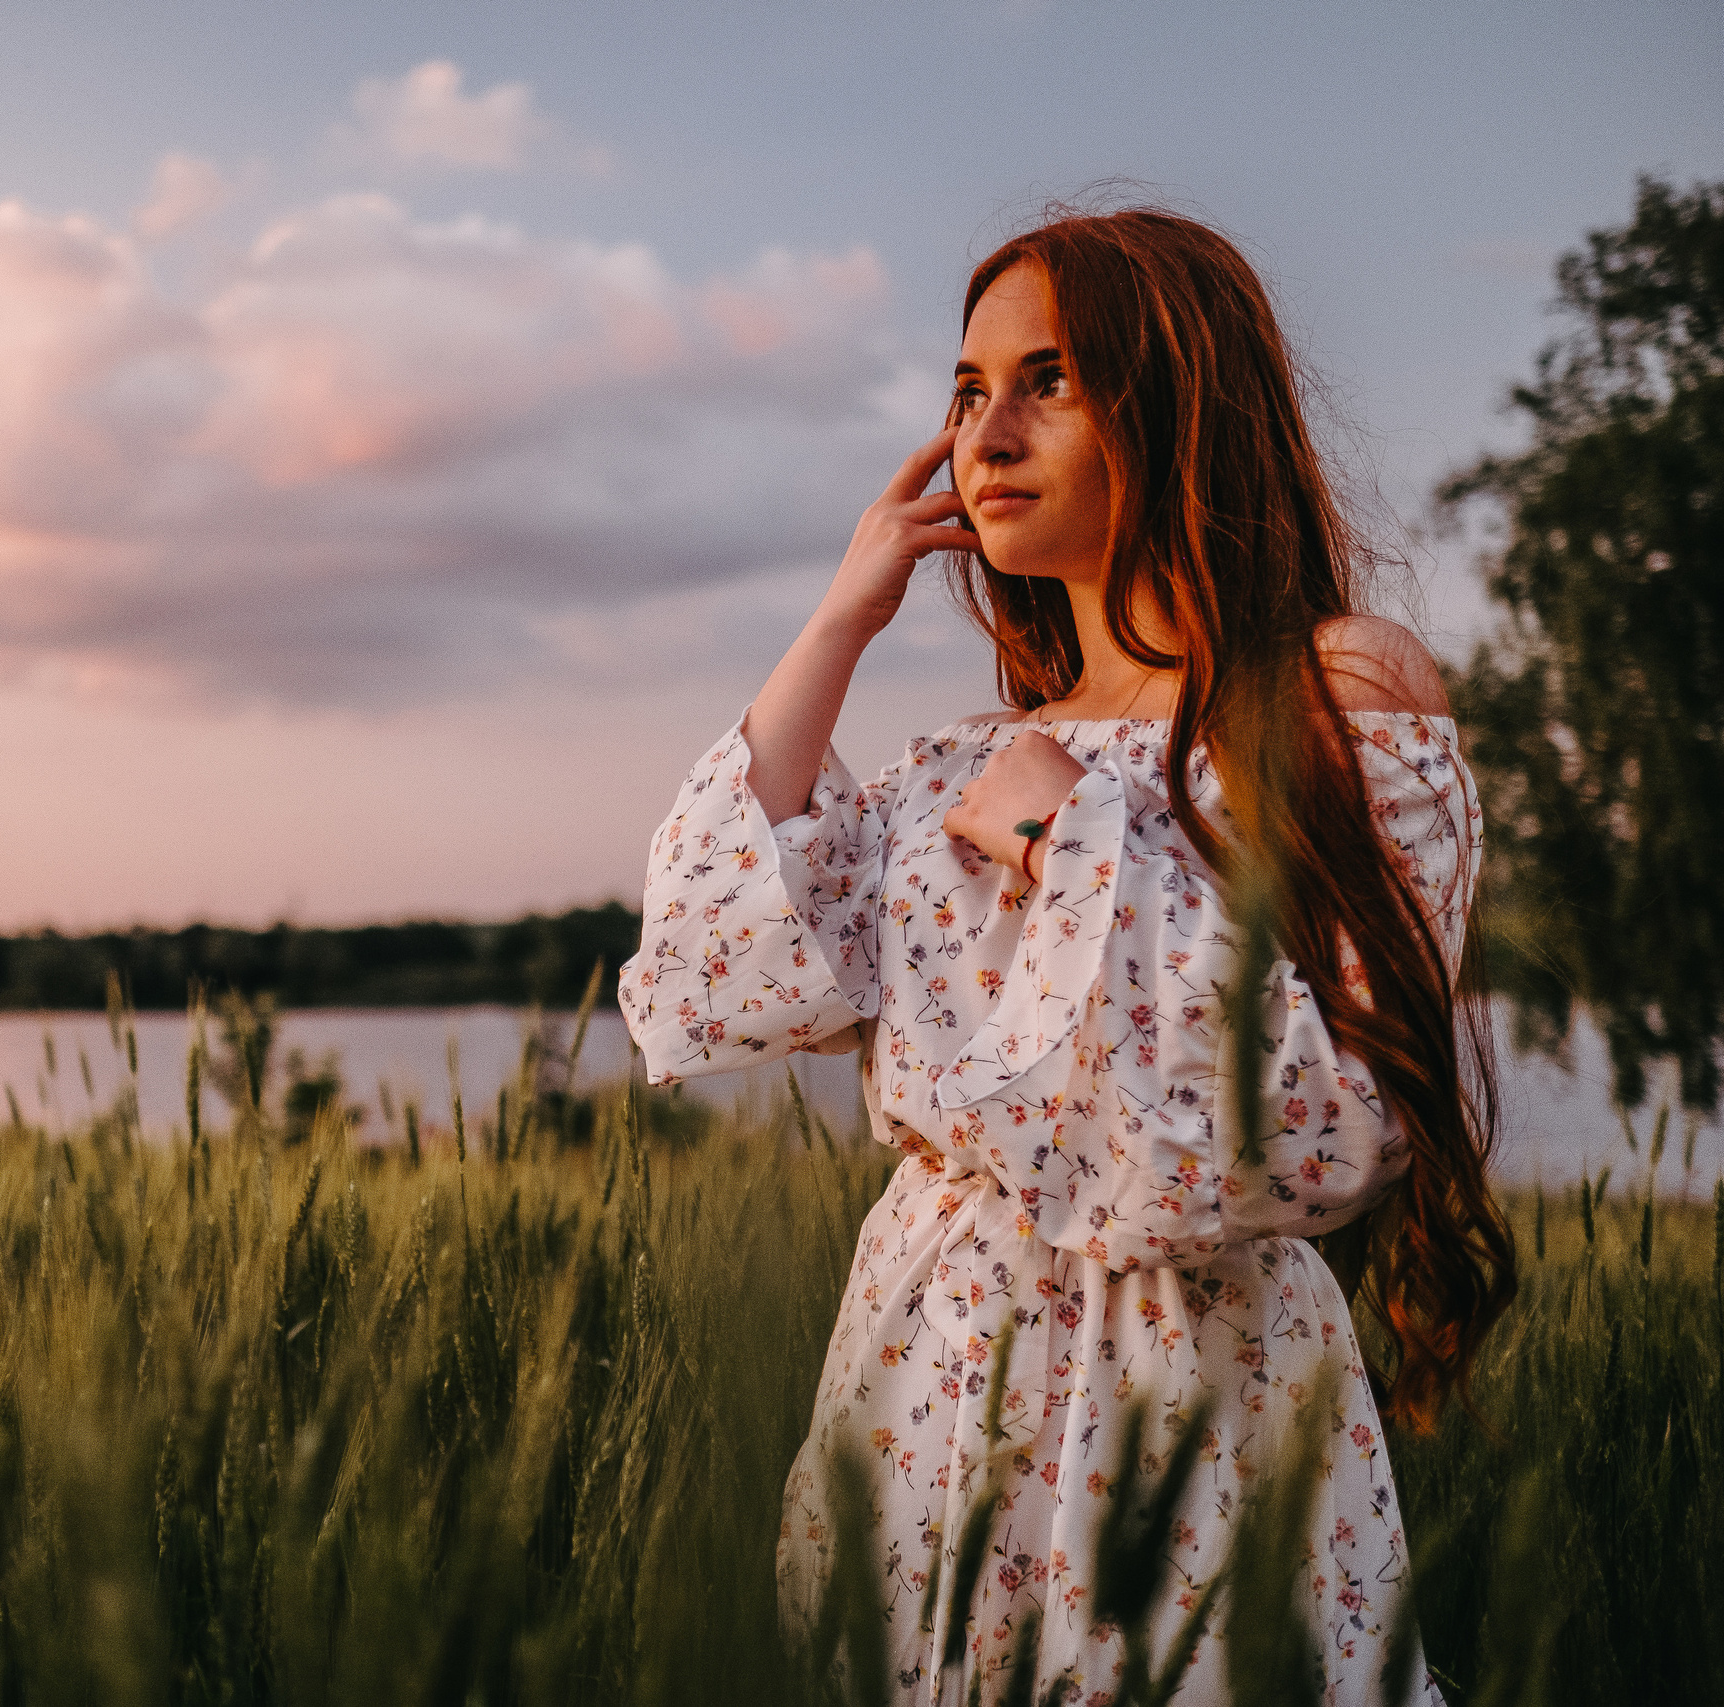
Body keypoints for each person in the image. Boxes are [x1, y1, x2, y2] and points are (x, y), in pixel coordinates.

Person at [618, 208, 1517, 1705]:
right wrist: (843, 614)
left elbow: (1324, 1113)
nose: (991, 428)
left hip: (1193, 1378)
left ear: (1177, 402)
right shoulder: (960, 757)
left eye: (1051, 379)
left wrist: (1063, 837)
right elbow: (712, 972)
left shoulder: (1330, 691)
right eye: (968, 390)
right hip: (928, 1370)